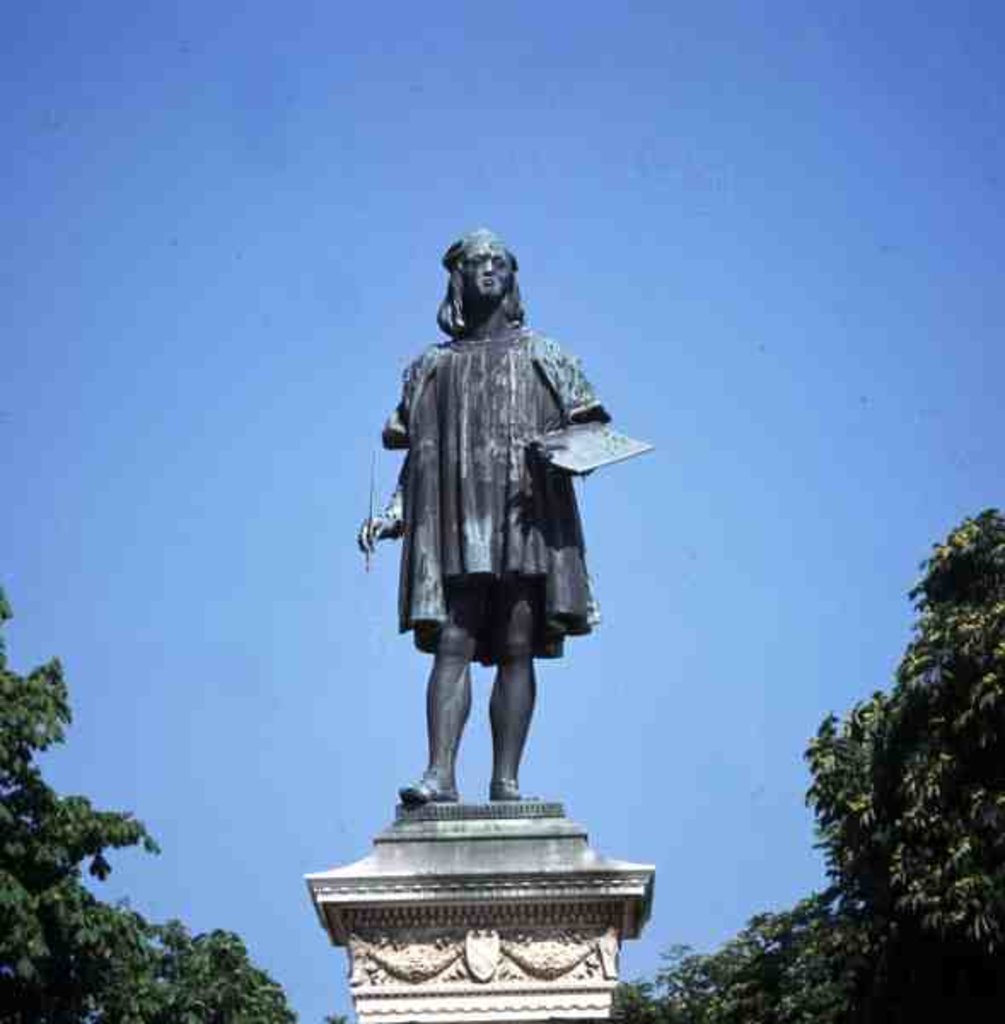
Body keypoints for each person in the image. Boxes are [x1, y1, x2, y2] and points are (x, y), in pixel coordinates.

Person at [358, 229, 609, 805]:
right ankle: (439, 775)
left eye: (498, 261)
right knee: (455, 639)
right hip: (455, 521)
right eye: (477, 262)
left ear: (512, 275)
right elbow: (419, 458)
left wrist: (566, 452)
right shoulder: (432, 368)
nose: (488, 269)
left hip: (525, 517)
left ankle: (505, 781)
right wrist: (393, 515)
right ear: (458, 276)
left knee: (518, 643)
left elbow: (593, 433)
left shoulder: (546, 356)